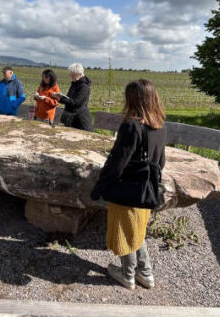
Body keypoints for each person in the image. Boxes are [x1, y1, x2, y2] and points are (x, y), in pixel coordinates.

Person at [91, 79, 166, 290]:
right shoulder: (159, 126)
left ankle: (127, 275)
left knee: (125, 231)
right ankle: (146, 274)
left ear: (133, 99)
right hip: (147, 189)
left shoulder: (131, 125)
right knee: (137, 230)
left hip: (127, 188)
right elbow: (161, 162)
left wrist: (100, 187)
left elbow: (117, 162)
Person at [56, 63, 93, 131]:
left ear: (79, 74)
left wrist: (61, 99)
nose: (70, 75)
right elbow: (69, 98)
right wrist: (59, 98)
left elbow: (76, 102)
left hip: (80, 120)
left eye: (72, 73)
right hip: (71, 118)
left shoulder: (84, 87)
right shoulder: (74, 84)